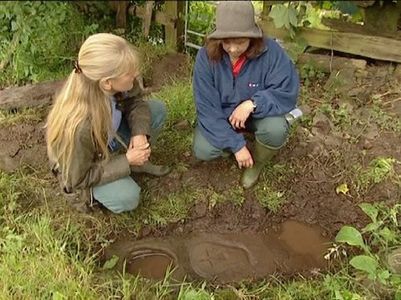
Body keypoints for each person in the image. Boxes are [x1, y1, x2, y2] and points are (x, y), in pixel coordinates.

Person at [46, 33, 170, 214]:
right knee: (127, 197)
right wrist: (127, 160)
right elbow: (77, 179)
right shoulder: (79, 126)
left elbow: (135, 102)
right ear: (107, 83)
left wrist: (139, 132)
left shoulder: (114, 84)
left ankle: (129, 162)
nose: (135, 75)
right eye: (129, 73)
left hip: (105, 141)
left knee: (156, 110)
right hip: (84, 168)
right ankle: (119, 173)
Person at [192, 1, 300, 189]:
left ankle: (257, 164)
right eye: (226, 42)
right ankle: (235, 144)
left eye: (240, 42)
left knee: (275, 129)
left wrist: (253, 103)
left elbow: (286, 91)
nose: (233, 49)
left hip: (258, 114)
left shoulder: (271, 52)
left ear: (253, 37)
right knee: (203, 150)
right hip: (223, 116)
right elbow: (207, 109)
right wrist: (237, 146)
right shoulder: (205, 57)